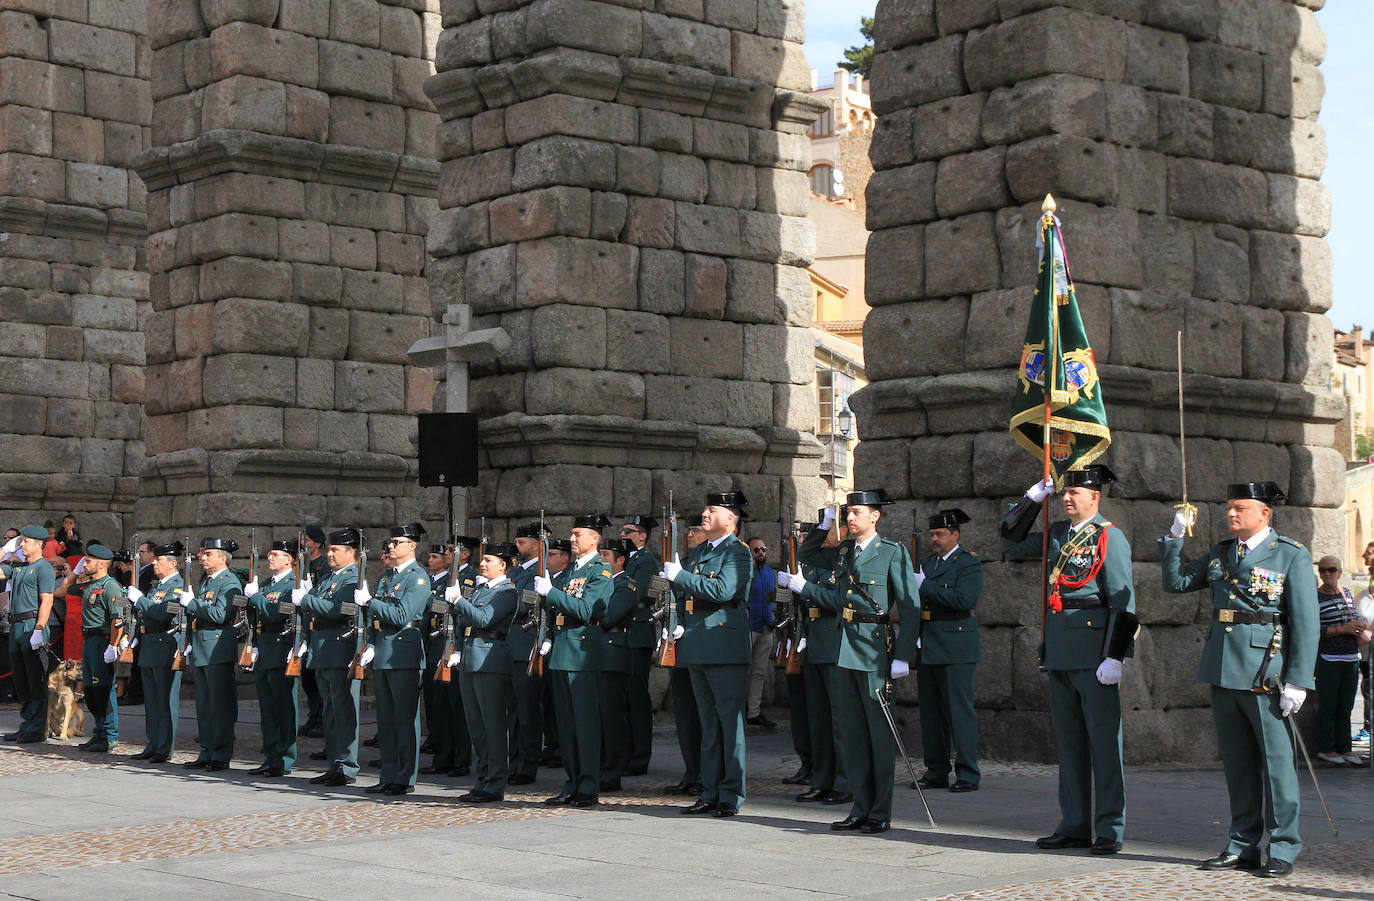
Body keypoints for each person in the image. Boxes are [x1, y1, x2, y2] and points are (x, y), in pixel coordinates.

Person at [1160, 481, 1317, 878]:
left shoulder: (1290, 555)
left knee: (1276, 764)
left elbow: (1305, 623)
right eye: (1229, 507)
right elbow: (1176, 582)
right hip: (1224, 668)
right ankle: (1242, 843)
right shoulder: (1221, 552)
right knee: (1238, 764)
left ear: (1265, 513)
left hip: (1267, 672)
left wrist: (1298, 680)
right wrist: (1175, 537)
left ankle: (1283, 846)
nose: (1231, 514)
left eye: (1241, 507)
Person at [1001, 466, 1135, 855]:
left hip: (1094, 654)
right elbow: (1011, 540)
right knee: (1071, 745)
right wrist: (1031, 500)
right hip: (1059, 651)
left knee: (1105, 746)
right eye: (1064, 492)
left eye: (1075, 492)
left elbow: (1123, 603)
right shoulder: (1058, 534)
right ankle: (1074, 823)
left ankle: (1109, 827)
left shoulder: (1110, 537)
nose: (1067, 498)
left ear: (1095, 497)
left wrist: (1115, 656)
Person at [790, 490, 919, 835]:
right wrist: (824, 525)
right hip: (843, 651)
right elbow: (807, 554)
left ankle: (880, 811)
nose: (850, 517)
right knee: (852, 735)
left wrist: (904, 655)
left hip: (875, 651)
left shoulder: (892, 552)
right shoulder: (845, 550)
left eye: (856, 512)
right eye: (847, 512)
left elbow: (909, 606)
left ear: (875, 516)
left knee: (878, 735)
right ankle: (860, 807)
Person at [661, 492, 754, 818]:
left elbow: (723, 591)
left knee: (729, 723)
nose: (704, 513)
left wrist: (681, 576)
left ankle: (731, 793)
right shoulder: (701, 551)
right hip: (697, 643)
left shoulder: (738, 554)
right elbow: (687, 594)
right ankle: (710, 790)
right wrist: (677, 624)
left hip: (724, 645)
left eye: (712, 509)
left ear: (730, 518)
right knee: (709, 725)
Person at [534, 514, 612, 808]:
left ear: (595, 539)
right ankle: (572, 782)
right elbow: (556, 611)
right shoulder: (568, 572)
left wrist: (551, 592)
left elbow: (585, 608)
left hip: (582, 654)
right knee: (566, 726)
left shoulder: (600, 570)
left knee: (585, 725)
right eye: (572, 533)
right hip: (562, 653)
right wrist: (550, 635)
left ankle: (588, 786)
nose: (572, 538)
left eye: (578, 534)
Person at [779, 518, 851, 804]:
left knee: (839, 720)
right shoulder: (825, 556)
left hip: (836, 642)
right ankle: (822, 780)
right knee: (818, 720)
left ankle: (845, 781)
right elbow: (805, 553)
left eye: (834, 526)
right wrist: (822, 527)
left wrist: (804, 588)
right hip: (815, 642)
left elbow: (838, 600)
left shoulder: (849, 556)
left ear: (844, 531)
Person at [360, 522, 431, 796]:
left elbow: (402, 615)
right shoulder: (387, 578)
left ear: (412, 546)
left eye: (396, 542)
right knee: (386, 721)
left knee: (404, 719)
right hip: (384, 653)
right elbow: (373, 618)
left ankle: (404, 776)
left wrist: (370, 602)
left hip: (404, 653)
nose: (390, 546)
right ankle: (388, 773)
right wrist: (369, 643)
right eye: (390, 542)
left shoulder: (418, 578)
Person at [915, 509, 984, 792]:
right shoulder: (927, 565)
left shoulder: (967, 564)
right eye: (932, 534)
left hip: (956, 643)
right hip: (929, 641)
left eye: (940, 534)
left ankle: (967, 772)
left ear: (955, 535)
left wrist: (925, 586)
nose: (935, 539)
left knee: (959, 712)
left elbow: (963, 598)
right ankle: (936, 769)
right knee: (930, 712)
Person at [448, 542, 520, 802]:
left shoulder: (507, 592)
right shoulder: (480, 590)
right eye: (482, 559)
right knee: (476, 726)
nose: (482, 563)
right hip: (470, 657)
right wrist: (456, 648)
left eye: (488, 560)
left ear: (502, 565)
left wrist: (458, 600)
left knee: (493, 725)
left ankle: (495, 782)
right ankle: (483, 779)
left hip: (490, 659)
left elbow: (484, 619)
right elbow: (462, 623)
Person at [297, 528, 362, 787]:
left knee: (343, 711)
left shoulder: (353, 578)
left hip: (339, 649)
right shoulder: (327, 577)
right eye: (330, 549)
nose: (329, 554)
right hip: (322, 649)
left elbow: (339, 611)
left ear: (351, 552)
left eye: (335, 550)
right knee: (329, 711)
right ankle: (335, 762)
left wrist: (307, 600)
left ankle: (347, 766)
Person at [55, 544, 128, 752]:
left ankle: (109, 736)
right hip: (88, 640)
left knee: (104, 689)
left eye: (88, 561)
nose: (84, 564)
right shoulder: (89, 585)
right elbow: (64, 589)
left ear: (102, 564)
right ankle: (98, 734)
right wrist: (76, 571)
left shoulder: (110, 586)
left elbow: (118, 619)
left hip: (102, 641)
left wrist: (113, 646)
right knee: (92, 690)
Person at [182, 537, 245, 771]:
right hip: (201, 648)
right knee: (205, 706)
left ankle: (220, 754)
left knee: (220, 706)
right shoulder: (208, 581)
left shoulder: (230, 583)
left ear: (222, 558)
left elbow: (221, 615)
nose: (202, 557)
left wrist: (192, 604)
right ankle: (207, 750)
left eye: (208, 554)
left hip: (217, 650)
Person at [244, 539, 299, 777]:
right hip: (265, 648)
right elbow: (256, 619)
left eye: (275, 554)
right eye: (269, 554)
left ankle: (284, 759)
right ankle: (270, 756)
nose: (270, 558)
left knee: (282, 707)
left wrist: (255, 598)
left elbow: (275, 614)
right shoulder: (267, 584)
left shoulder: (292, 584)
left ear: (289, 559)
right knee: (267, 709)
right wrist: (253, 645)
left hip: (280, 648)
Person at [128, 541, 186, 761]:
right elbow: (146, 613)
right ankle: (153, 743)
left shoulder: (177, 587)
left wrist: (140, 600)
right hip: (150, 644)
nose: (154, 563)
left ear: (172, 564)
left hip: (165, 644)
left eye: (159, 560)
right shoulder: (158, 585)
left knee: (164, 700)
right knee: (151, 701)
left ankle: (164, 747)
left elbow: (162, 614)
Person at [0, 525, 59, 743]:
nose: (21, 544)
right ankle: (26, 724)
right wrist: (5, 550)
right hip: (15, 625)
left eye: (26, 541)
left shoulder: (44, 568)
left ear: (38, 544)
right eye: (21, 541)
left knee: (35, 679)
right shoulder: (19, 567)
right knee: (21, 681)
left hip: (31, 624)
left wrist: (39, 629)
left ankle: (36, 728)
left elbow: (47, 600)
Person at [664, 513, 705, 796]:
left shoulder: (708, 564)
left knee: (703, 714)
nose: (690, 535)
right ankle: (691, 771)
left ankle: (706, 774)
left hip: (700, 642)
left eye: (695, 530)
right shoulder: (684, 564)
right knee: (685, 715)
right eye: (688, 530)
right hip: (678, 644)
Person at [421, 544, 471, 778]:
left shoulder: (467, 579)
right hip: (435, 646)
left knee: (456, 707)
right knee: (437, 706)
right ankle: (442, 756)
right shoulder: (437, 581)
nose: (446, 556)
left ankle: (461, 759)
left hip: (453, 645)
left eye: (449, 552)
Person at [597, 538, 639, 791]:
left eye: (605, 556)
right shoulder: (602, 582)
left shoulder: (626, 586)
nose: (601, 560)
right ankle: (600, 765)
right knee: (598, 716)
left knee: (612, 717)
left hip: (613, 653)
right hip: (595, 652)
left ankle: (612, 771)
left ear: (620, 560)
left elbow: (608, 616)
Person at [507, 525, 548, 785]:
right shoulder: (516, 570)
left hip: (526, 646)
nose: (517, 546)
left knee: (528, 711)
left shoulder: (539, 571)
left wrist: (498, 596)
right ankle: (514, 760)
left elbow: (525, 604)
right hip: (511, 647)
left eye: (522, 542)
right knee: (513, 711)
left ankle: (527, 764)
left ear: (536, 544)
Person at [1312, 557, 1363, 765]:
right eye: (1323, 570)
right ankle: (1328, 748)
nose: (1327, 574)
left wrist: (1360, 624)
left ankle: (1345, 748)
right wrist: (1342, 630)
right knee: (1329, 705)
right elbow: (1314, 629)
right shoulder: (1315, 597)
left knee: (1346, 706)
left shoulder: (1347, 593)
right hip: (1328, 658)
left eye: (1332, 570)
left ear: (1340, 572)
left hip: (1351, 657)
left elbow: (1352, 617)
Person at [620, 515, 659, 775]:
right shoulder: (625, 560)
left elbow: (636, 592)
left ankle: (639, 756)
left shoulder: (645, 561)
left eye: (628, 531)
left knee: (636, 697)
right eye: (622, 530)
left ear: (642, 536)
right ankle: (623, 751)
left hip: (637, 631)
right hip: (622, 633)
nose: (623, 535)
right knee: (621, 698)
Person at [298, 525, 329, 739]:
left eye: (307, 540)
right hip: (306, 620)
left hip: (318, 618)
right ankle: (314, 715)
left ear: (317, 543)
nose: (303, 543)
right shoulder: (303, 562)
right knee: (308, 677)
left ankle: (321, 718)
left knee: (319, 679)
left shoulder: (324, 564)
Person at [745, 536, 777, 730]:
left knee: (759, 672)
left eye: (763, 549)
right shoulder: (745, 571)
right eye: (756, 550)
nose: (761, 553)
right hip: (749, 626)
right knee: (742, 671)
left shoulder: (770, 573)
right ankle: (738, 710)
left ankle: (753, 712)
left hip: (766, 628)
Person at [1357, 542, 1374, 743]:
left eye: (1368, 554)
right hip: (1364, 652)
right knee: (1367, 690)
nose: (1363, 556)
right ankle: (1367, 728)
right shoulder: (1363, 593)